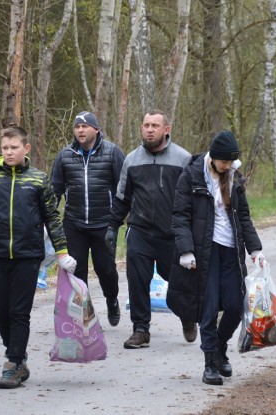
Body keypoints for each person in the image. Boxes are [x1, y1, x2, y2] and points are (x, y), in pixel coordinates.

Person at [0, 126, 77, 389]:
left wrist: (62, 254)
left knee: (18, 311)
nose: (9, 152)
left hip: (28, 255)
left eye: (14, 148)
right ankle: (18, 353)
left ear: (26, 149)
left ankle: (13, 364)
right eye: (5, 148)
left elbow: (52, 219)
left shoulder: (38, 180)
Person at [167, 131, 264, 386]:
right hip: (204, 251)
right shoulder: (191, 176)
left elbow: (244, 218)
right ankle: (210, 363)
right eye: (225, 162)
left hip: (231, 251)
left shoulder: (234, 179)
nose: (228, 166)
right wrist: (186, 250)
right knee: (208, 308)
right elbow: (180, 215)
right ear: (213, 158)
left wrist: (255, 250)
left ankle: (220, 347)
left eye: (232, 162)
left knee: (234, 305)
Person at [105, 110, 196, 349]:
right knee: (137, 281)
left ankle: (187, 316)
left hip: (172, 234)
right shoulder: (132, 160)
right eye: (146, 125)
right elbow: (122, 198)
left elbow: (192, 200)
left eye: (155, 125)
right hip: (141, 231)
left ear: (167, 129)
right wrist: (112, 227)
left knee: (177, 282)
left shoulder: (183, 159)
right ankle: (141, 329)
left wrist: (190, 234)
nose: (150, 129)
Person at [51, 111, 125, 326]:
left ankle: (112, 300)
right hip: (74, 224)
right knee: (77, 271)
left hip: (104, 223)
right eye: (77, 127)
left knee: (106, 270)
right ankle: (84, 313)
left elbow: (123, 189)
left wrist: (118, 220)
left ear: (96, 130)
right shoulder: (65, 155)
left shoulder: (112, 153)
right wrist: (47, 221)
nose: (81, 130)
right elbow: (54, 191)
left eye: (85, 126)